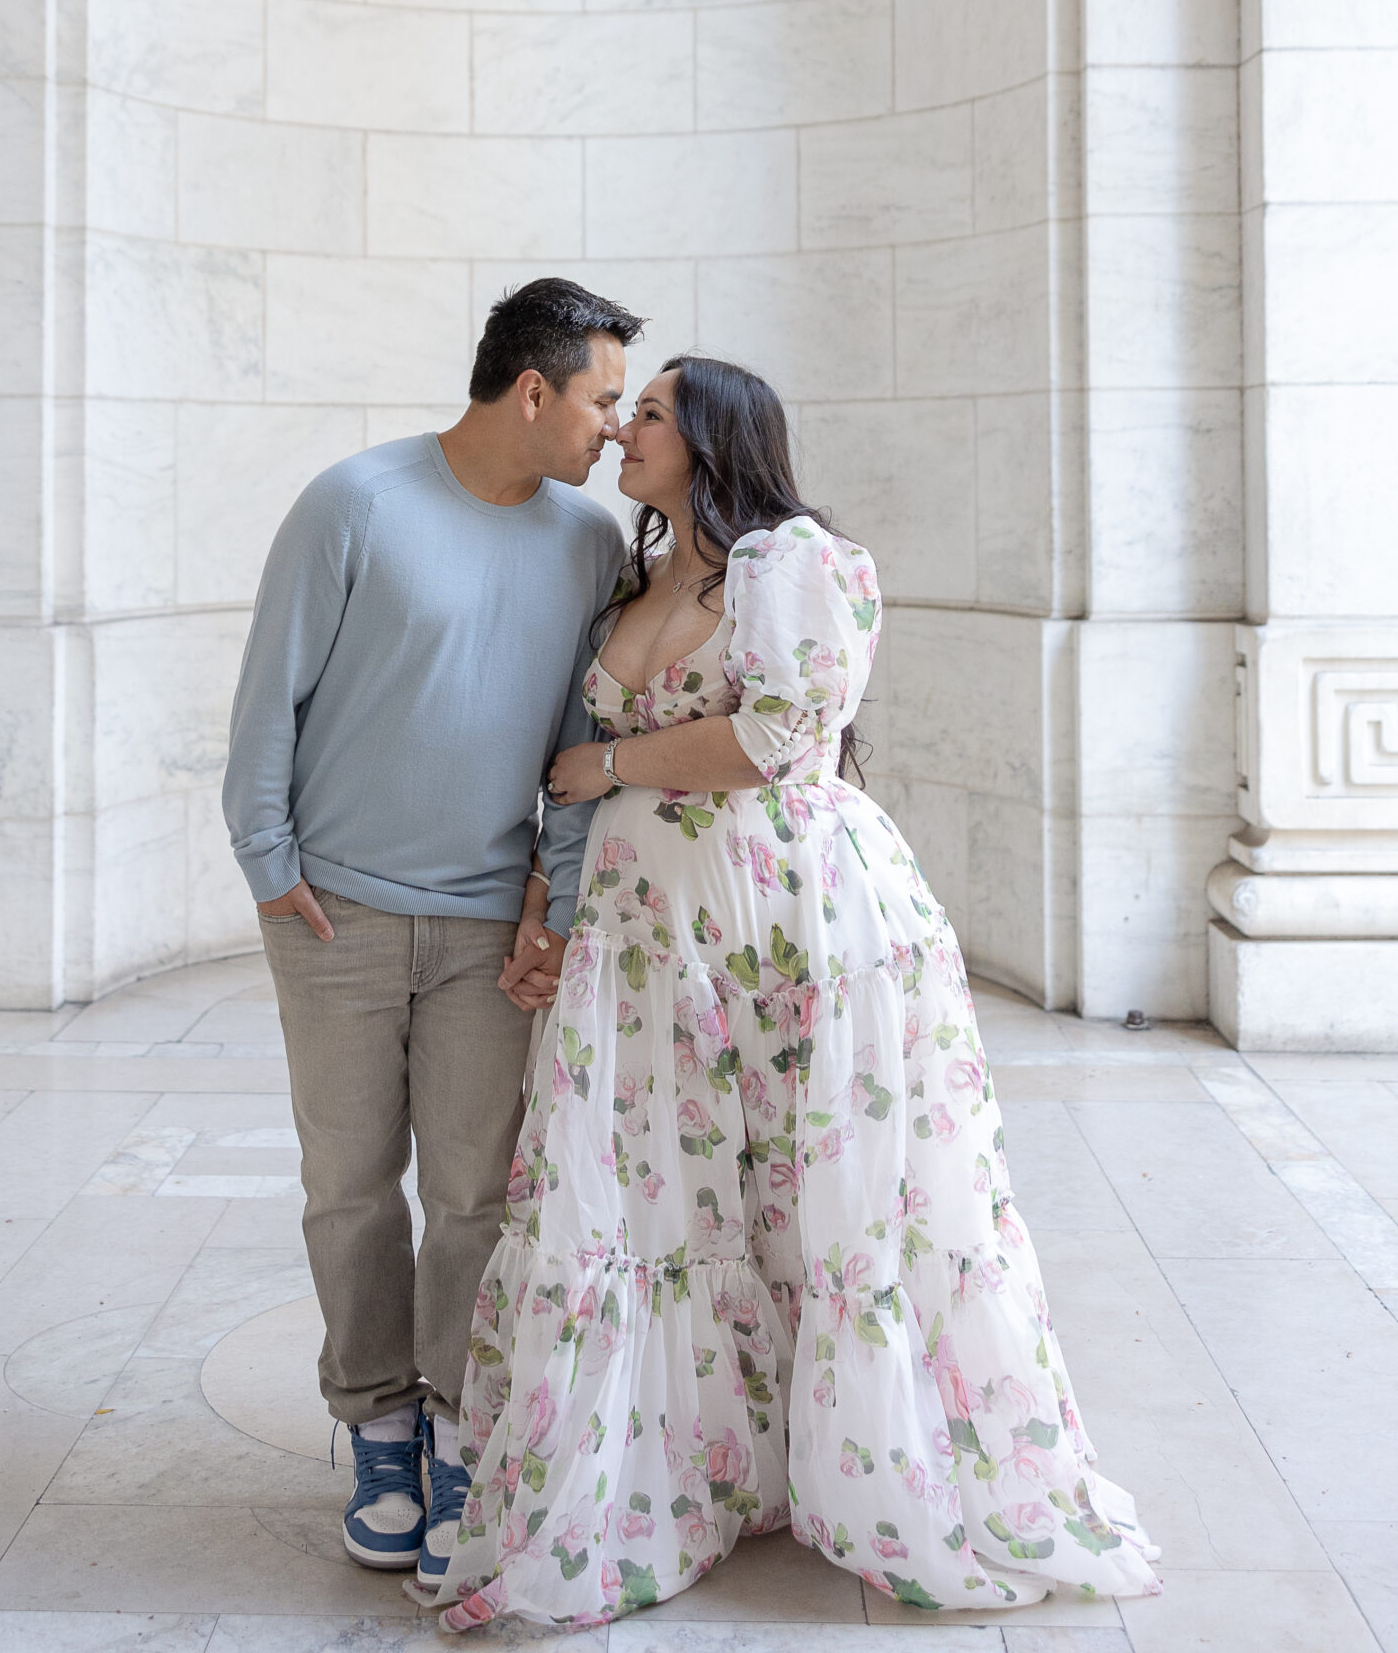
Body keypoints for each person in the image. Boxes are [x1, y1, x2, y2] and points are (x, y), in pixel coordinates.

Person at [418, 355, 1161, 1630]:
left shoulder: (795, 563)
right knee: (659, 1194)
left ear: (713, 439)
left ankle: (870, 1469)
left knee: (819, 1198)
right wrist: (549, 900)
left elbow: (776, 739)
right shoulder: (629, 582)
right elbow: (569, 780)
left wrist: (611, 765)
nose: (626, 429)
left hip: (797, 923)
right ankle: (690, 1470)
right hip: (646, 934)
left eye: (651, 412)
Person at [221, 277, 643, 1588]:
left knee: (473, 1194)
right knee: (349, 1186)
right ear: (533, 388)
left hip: (485, 929)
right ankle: (376, 1426)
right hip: (332, 914)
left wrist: (552, 906)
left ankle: (457, 1429)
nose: (614, 429)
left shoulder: (588, 545)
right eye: (603, 400)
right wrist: (268, 865)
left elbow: (578, 750)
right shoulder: (353, 503)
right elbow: (269, 694)